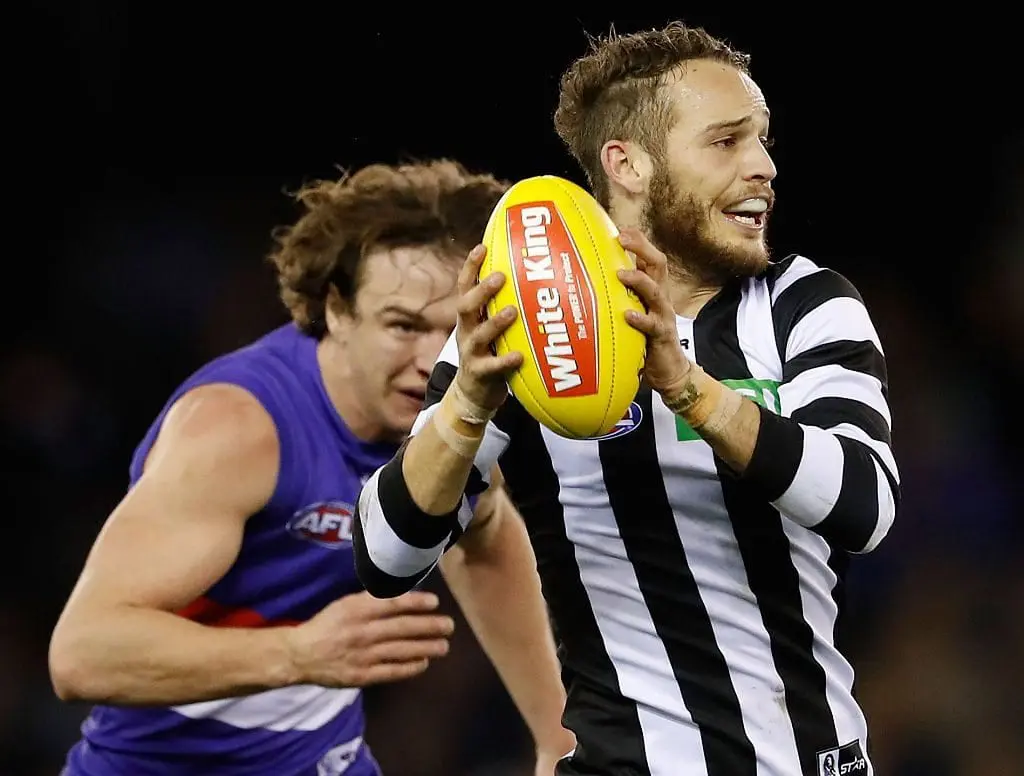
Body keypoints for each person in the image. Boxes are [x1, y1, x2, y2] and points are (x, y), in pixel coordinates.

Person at [353, 22, 900, 776]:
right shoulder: (525, 323)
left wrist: (689, 388)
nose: (765, 166)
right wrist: (467, 405)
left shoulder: (802, 303)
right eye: (727, 141)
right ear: (628, 163)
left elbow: (864, 508)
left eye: (763, 140)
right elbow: (384, 558)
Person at [48, 159, 574, 776]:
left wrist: (557, 737)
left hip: (325, 759)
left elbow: (483, 533)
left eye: (452, 329)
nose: (431, 359)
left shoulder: (448, 416)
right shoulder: (239, 429)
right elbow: (82, 655)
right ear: (336, 310)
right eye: (402, 325)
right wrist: (299, 653)